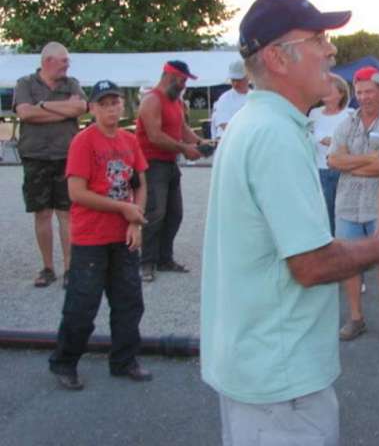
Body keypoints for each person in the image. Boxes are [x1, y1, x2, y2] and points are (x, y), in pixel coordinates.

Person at [200, 0, 379, 446]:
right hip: (280, 379)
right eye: (319, 38)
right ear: (278, 58)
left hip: (260, 368)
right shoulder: (275, 134)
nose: (330, 49)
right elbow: (311, 264)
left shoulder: (254, 123)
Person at [48, 80, 151, 390]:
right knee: (82, 305)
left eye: (115, 102)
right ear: (92, 108)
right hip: (91, 238)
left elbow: (139, 183)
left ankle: (124, 360)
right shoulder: (83, 142)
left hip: (123, 237)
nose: (111, 108)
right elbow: (76, 192)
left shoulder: (129, 140)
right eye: (104, 104)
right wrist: (123, 209)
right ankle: (64, 362)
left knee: (129, 301)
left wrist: (134, 221)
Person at [328, 65, 379, 344]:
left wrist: (350, 163)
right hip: (347, 206)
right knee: (350, 265)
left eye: (369, 91)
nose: (363, 97)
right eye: (359, 92)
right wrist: (369, 159)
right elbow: (332, 160)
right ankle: (356, 318)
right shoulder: (346, 124)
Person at [12, 41, 88, 288]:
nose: (68, 65)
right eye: (64, 61)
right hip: (35, 156)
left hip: (67, 156)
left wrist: (43, 106)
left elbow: (81, 107)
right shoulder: (25, 83)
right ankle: (47, 267)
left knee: (66, 213)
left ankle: (69, 268)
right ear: (48, 62)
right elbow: (25, 113)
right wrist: (63, 110)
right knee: (42, 213)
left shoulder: (72, 83)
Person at [135, 60, 205, 282]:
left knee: (175, 214)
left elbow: (183, 129)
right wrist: (185, 148)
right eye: (182, 80)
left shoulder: (176, 101)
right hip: (152, 164)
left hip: (169, 163)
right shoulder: (152, 100)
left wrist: (201, 142)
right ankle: (146, 262)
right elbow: (155, 136)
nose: (184, 85)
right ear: (169, 76)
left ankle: (164, 258)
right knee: (155, 213)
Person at [309, 73, 352, 235]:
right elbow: (308, 136)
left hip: (343, 171)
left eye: (330, 88)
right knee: (324, 214)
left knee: (343, 214)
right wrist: (327, 139)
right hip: (320, 170)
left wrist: (330, 141)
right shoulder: (314, 113)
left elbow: (350, 142)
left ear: (341, 93)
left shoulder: (350, 114)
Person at [211, 59, 250, 140]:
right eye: (233, 80)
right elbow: (224, 125)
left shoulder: (255, 97)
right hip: (228, 141)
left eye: (239, 80)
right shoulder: (224, 99)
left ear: (248, 77)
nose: (235, 83)